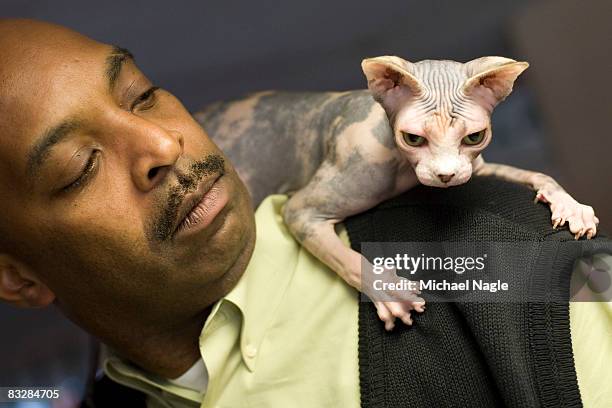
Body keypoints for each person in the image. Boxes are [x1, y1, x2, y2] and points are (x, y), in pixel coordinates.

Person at [0, 19, 610, 408]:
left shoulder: (489, 254)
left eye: (143, 95)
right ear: (16, 278)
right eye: (80, 165)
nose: (163, 145)